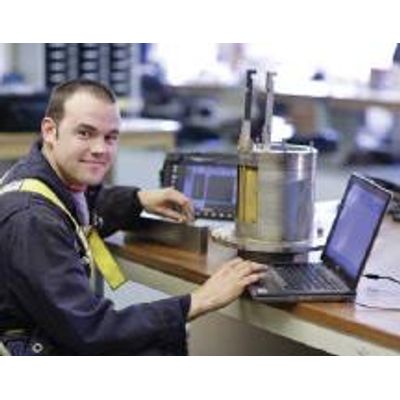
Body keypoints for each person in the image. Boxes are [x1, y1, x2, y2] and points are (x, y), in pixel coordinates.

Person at [0, 80, 264, 355]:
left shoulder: (38, 179)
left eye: (110, 137)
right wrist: (198, 301)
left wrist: (138, 199)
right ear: (50, 131)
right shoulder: (33, 219)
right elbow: (93, 331)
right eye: (85, 133)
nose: (101, 149)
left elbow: (82, 205)